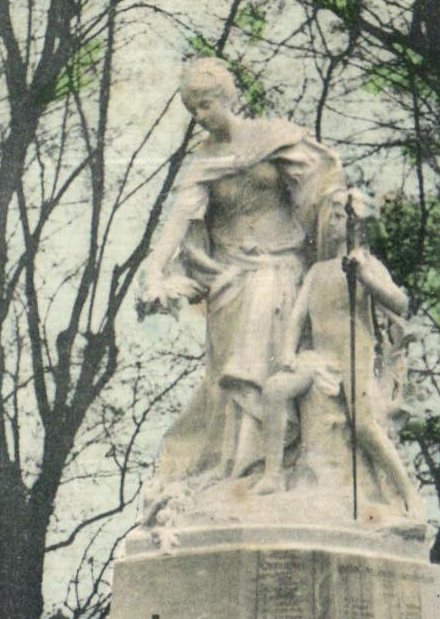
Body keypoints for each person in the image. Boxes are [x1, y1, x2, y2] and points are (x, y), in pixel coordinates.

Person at [138, 57, 342, 484]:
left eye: (206, 103)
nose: (200, 115)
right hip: (229, 278)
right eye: (192, 108)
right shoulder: (204, 161)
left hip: (280, 266)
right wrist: (153, 272)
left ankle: (268, 465)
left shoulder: (275, 138)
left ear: (227, 97)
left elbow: (321, 193)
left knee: (267, 364)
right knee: (228, 376)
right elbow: (178, 221)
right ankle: (235, 468)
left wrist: (343, 219)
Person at [257, 186, 421, 515]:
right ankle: (272, 476)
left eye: (337, 217)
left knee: (364, 424)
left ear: (354, 222)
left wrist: (365, 277)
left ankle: (407, 492)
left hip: (355, 357)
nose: (331, 223)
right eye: (330, 216)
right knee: (275, 389)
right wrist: (287, 351)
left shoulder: (368, 265)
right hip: (319, 358)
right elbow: (297, 316)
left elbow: (401, 303)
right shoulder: (318, 271)